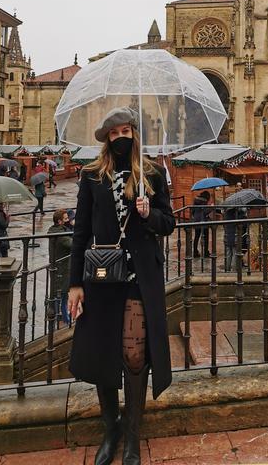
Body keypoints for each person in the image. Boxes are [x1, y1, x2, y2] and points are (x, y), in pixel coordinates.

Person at [68, 107, 175, 465]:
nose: (119, 138)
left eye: (125, 131)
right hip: (101, 279)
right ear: (105, 139)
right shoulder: (92, 176)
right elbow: (80, 230)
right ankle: (110, 430)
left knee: (134, 355)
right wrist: (73, 285)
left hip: (138, 280)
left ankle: (132, 435)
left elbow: (168, 223)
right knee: (103, 353)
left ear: (133, 133)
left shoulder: (153, 174)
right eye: (113, 134)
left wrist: (148, 214)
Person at [47, 208, 74, 325]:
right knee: (61, 295)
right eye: (66, 219)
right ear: (59, 221)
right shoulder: (61, 234)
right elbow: (73, 244)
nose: (68, 220)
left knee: (61, 294)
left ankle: (61, 317)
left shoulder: (59, 230)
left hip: (60, 267)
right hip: (60, 268)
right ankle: (63, 319)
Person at [191, 190, 212, 258]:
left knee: (196, 237)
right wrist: (211, 207)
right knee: (206, 237)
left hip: (196, 221)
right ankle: (206, 252)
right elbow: (205, 212)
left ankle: (195, 252)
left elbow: (193, 211)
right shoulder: (204, 201)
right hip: (203, 221)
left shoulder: (196, 200)